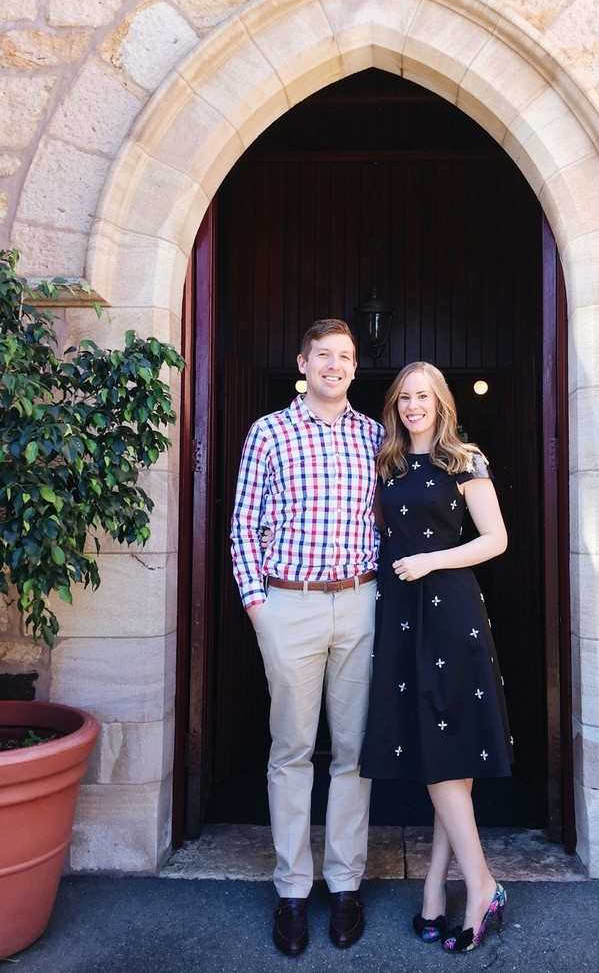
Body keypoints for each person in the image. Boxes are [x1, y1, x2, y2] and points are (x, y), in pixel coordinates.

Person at [230, 318, 383, 957]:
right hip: (287, 605)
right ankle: (293, 889)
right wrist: (259, 606)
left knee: (353, 751)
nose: (335, 365)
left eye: (345, 356)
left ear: (353, 366)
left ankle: (345, 884)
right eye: (324, 355)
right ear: (303, 361)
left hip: (360, 602)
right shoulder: (269, 432)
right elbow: (243, 523)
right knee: (292, 747)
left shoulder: (376, 436)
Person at [360, 361, 512, 954]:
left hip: (449, 613)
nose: (413, 406)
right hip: (400, 613)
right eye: (404, 397)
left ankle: (479, 887)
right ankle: (433, 886)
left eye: (423, 396)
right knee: (437, 747)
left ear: (441, 403)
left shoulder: (464, 459)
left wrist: (432, 561)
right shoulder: (389, 462)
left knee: (445, 746)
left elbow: (495, 539)